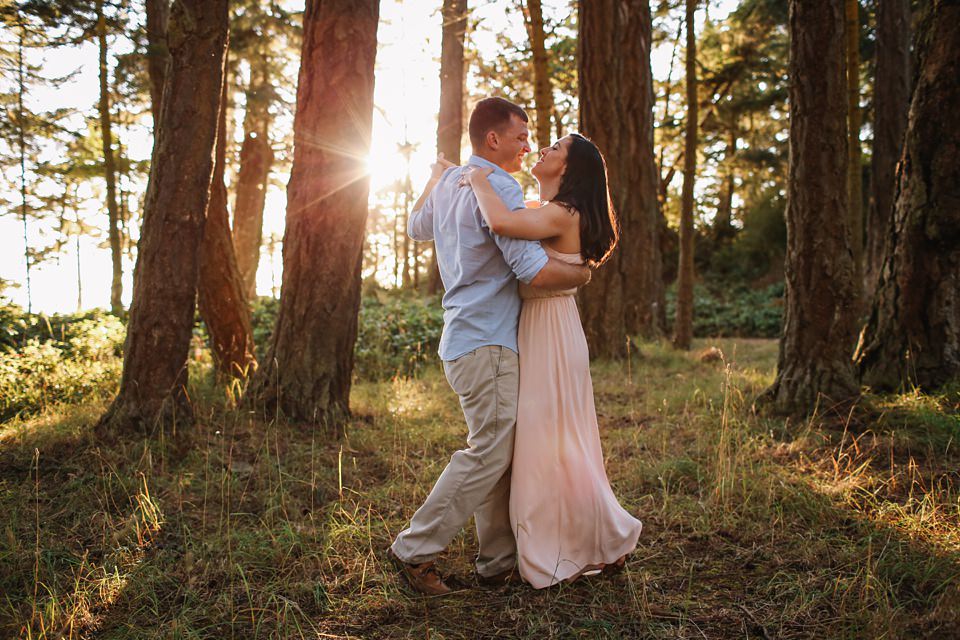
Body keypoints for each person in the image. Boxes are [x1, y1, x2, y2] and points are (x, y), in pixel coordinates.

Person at [387, 97, 591, 595]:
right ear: (492, 139)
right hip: (489, 341)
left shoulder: (455, 181)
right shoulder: (498, 184)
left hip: (462, 340)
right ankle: (413, 551)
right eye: (521, 135)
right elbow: (530, 270)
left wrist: (433, 179)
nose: (528, 144)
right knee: (488, 454)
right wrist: (582, 271)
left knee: (499, 451)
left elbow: (417, 228)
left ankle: (497, 563)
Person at [461, 132, 642, 588]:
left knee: (548, 437)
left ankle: (581, 538)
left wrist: (478, 177)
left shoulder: (563, 212)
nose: (544, 149)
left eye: (556, 148)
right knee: (553, 437)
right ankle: (592, 534)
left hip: (551, 330)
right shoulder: (550, 212)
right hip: (542, 324)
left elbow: (501, 223)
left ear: (568, 168)